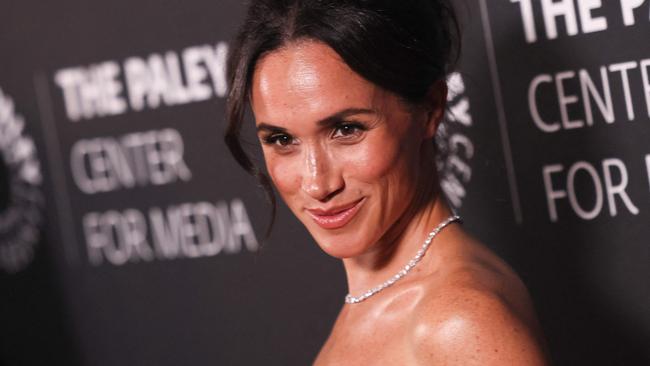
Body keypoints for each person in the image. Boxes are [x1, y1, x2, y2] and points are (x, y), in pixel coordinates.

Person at [225, 0, 551, 364]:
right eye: (282, 140)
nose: (318, 184)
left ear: (430, 109)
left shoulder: (457, 322)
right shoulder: (383, 301)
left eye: (346, 130)